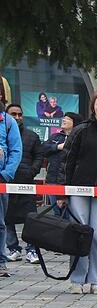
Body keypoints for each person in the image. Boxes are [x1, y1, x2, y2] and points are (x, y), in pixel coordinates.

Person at [63, 93, 97, 294]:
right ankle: (77, 280)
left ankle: (96, 280)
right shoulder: (81, 130)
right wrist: (62, 192)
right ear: (93, 107)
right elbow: (67, 160)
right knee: (79, 235)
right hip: (78, 189)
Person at [4, 104, 43, 264]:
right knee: (8, 218)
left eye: (20, 114)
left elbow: (39, 156)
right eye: (13, 114)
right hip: (6, 182)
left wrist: (31, 171)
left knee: (30, 218)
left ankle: (32, 250)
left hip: (26, 183)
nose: (17, 117)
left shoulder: (32, 136)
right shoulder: (2, 134)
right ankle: (13, 248)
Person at [43, 111, 82, 218]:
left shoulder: (78, 138)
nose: (64, 120)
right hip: (52, 180)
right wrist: (57, 147)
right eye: (64, 118)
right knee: (56, 214)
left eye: (68, 119)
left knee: (70, 216)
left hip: (71, 183)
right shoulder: (55, 136)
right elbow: (44, 149)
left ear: (75, 123)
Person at [0, 107, 22, 277]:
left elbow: (16, 150)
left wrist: (6, 174)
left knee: (0, 224)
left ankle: (0, 262)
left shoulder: (8, 122)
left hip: (0, 179)